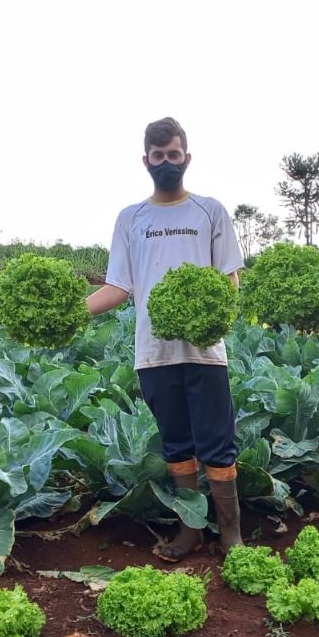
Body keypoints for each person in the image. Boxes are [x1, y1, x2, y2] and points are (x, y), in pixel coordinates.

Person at [85, 116, 244, 559]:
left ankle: (230, 533)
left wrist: (210, 317)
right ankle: (190, 530)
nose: (167, 163)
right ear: (146, 161)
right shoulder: (131, 218)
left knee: (217, 444)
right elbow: (118, 287)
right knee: (176, 444)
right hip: (153, 354)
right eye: (159, 156)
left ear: (187, 158)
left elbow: (229, 279)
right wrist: (73, 312)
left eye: (174, 155)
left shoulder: (210, 211)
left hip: (205, 353)